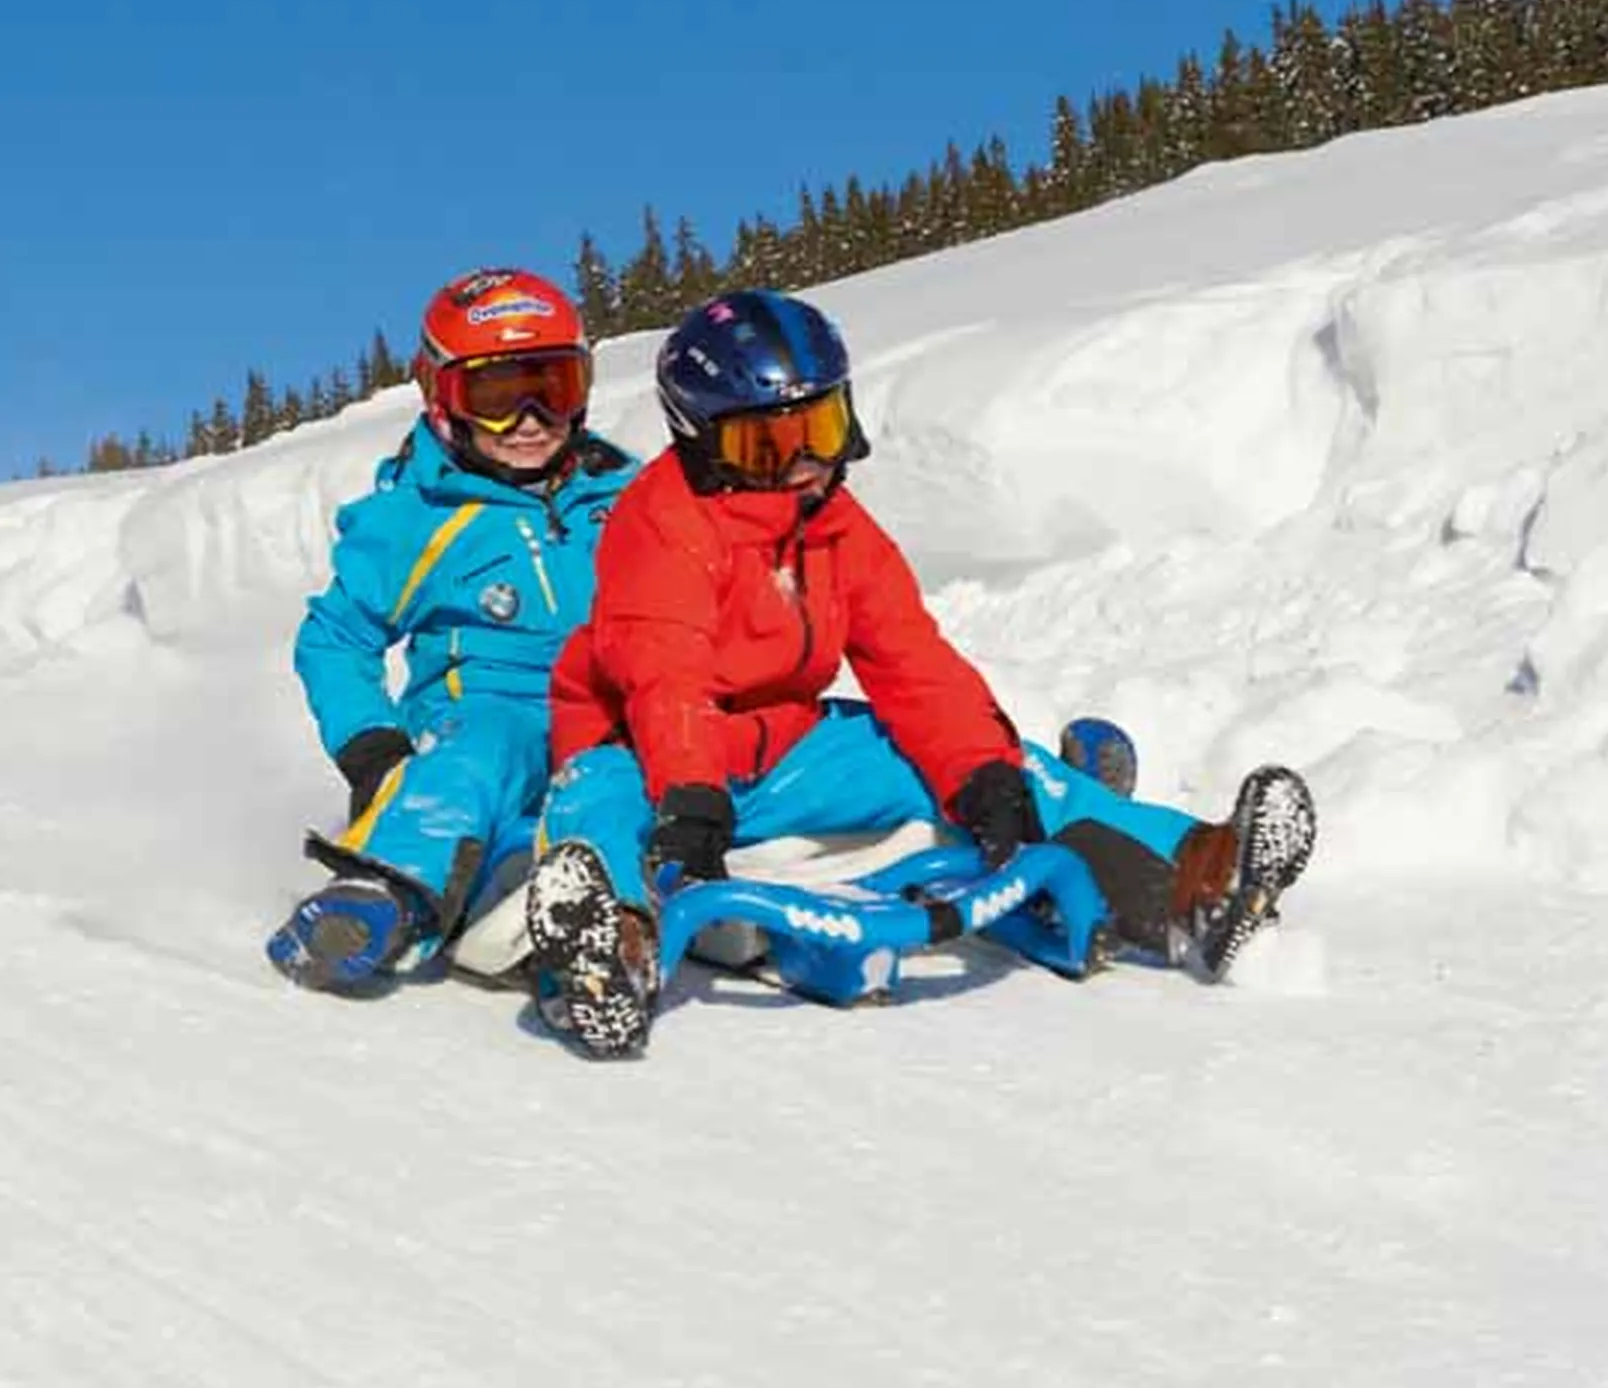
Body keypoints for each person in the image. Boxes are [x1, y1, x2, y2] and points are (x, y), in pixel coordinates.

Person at [523, 287, 1320, 1058]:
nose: (804, 461)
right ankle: (607, 953)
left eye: (821, 426)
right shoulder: (659, 522)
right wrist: (689, 802)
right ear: (704, 441)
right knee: (591, 805)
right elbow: (666, 672)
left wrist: (983, 777)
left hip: (786, 750)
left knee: (1010, 766)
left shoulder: (839, 528)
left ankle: (1197, 876)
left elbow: (911, 661)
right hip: (648, 750)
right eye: (769, 443)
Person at [266, 268, 636, 994]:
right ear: (443, 400)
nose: (530, 419)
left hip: (605, 716)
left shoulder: (624, 496)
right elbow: (335, 638)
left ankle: (611, 931)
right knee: (472, 758)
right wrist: (371, 747)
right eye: (496, 397)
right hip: (482, 713)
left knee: (623, 777)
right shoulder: (417, 518)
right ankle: (381, 894)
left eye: (551, 388)